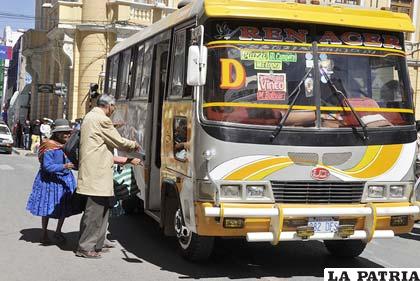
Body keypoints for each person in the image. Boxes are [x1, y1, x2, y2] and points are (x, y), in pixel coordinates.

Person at [75, 94, 141, 259]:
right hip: (97, 173)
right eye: (114, 107)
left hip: (97, 172)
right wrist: (135, 145)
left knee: (103, 210)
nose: (114, 110)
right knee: (94, 213)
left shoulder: (91, 116)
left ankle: (97, 242)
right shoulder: (101, 120)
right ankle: (85, 247)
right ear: (109, 106)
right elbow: (119, 142)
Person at [26, 119, 77, 245]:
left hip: (65, 181)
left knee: (64, 207)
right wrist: (64, 166)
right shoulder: (49, 146)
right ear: (57, 133)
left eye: (68, 132)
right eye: (64, 132)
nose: (67, 135)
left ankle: (58, 231)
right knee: (47, 207)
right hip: (50, 181)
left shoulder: (68, 145)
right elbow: (46, 166)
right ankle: (44, 233)